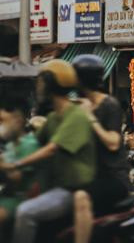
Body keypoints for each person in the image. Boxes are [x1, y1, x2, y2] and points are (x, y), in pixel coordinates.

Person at [8, 60, 97, 243]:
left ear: (51, 84)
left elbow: (50, 149)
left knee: (25, 212)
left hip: (72, 189)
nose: (38, 88)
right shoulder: (53, 117)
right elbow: (32, 141)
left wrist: (15, 164)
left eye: (41, 83)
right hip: (53, 185)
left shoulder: (76, 116)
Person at [73, 51, 131, 243]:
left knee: (80, 197)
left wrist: (89, 117)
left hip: (113, 177)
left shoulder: (109, 105)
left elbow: (113, 143)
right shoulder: (80, 105)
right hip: (89, 173)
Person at [0, 95, 40, 237]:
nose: (1, 126)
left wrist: (2, 164)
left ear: (17, 120)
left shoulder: (30, 144)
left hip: (21, 198)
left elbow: (18, 179)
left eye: (2, 120)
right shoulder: (10, 145)